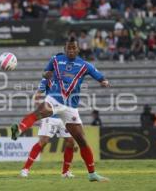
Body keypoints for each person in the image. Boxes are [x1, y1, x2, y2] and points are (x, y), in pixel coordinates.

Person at [11, 36, 110, 182]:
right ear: (65, 49)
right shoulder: (56, 60)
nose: (71, 50)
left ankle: (92, 174)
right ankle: (19, 130)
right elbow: (45, 73)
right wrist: (46, 75)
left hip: (71, 107)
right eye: (68, 48)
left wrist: (104, 81)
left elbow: (99, 76)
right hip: (55, 99)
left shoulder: (84, 65)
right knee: (39, 113)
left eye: (73, 48)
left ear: (78, 49)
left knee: (81, 141)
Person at [21, 78, 77, 178]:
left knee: (71, 141)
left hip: (64, 116)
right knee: (43, 141)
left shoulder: (68, 79)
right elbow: (37, 95)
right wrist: (42, 109)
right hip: (50, 116)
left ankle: (65, 172)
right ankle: (25, 169)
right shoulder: (47, 79)